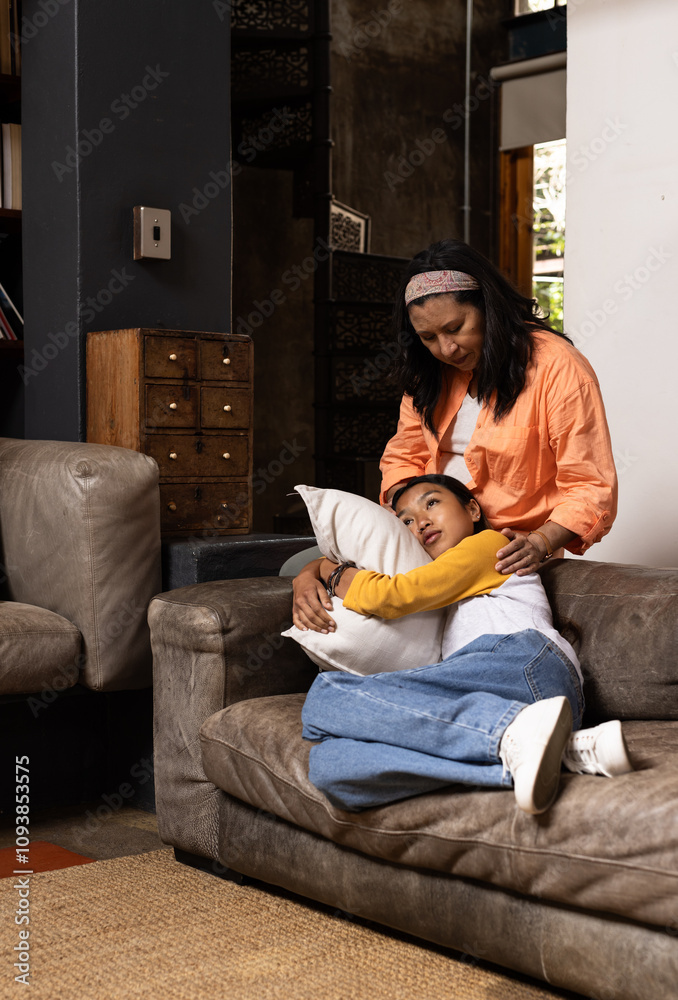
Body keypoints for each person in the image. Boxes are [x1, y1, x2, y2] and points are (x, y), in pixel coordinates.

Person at [292, 237, 617, 631]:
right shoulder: (428, 375)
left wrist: (541, 542)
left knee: (335, 578)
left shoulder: (557, 369)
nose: (447, 348)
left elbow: (589, 486)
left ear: (488, 307)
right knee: (296, 564)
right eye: (428, 338)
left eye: (456, 328)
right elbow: (402, 459)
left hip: (495, 553)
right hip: (425, 539)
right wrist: (414, 516)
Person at [299, 475, 632, 815]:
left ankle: (509, 735)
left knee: (327, 695)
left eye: (431, 503)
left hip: (523, 662)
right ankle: (554, 751)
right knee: (330, 765)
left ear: (472, 509)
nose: (421, 522)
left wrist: (330, 571)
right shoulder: (439, 586)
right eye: (407, 521)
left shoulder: (490, 545)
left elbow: (393, 596)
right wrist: (307, 573)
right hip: (517, 702)